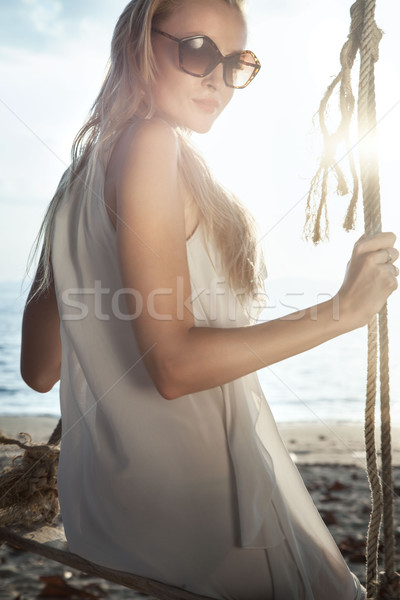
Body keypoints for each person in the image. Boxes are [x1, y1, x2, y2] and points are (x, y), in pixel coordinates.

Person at [20, 0, 398, 598]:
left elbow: (39, 371)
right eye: (198, 51)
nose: (217, 79)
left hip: (116, 498)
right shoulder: (150, 143)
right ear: (139, 43)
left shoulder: (78, 176)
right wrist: (341, 312)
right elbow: (173, 368)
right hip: (198, 495)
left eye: (236, 62)